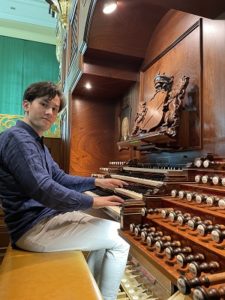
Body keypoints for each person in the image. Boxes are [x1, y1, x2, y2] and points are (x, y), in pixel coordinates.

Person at [0, 81, 130, 300]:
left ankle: (93, 291)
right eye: (44, 105)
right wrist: (94, 202)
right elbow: (43, 189)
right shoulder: (17, 138)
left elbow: (59, 178)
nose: (50, 112)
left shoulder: (35, 141)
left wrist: (97, 183)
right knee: (121, 240)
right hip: (32, 230)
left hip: (42, 221)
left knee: (107, 228)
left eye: (55, 109)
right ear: (26, 105)